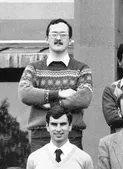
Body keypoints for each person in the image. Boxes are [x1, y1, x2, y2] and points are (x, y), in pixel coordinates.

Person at [19, 18, 92, 150]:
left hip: (72, 134)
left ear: (70, 40)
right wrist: (59, 94)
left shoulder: (82, 69)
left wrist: (48, 103)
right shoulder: (34, 68)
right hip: (40, 136)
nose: (58, 38)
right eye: (54, 34)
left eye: (63, 35)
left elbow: (84, 98)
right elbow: (25, 93)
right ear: (46, 38)